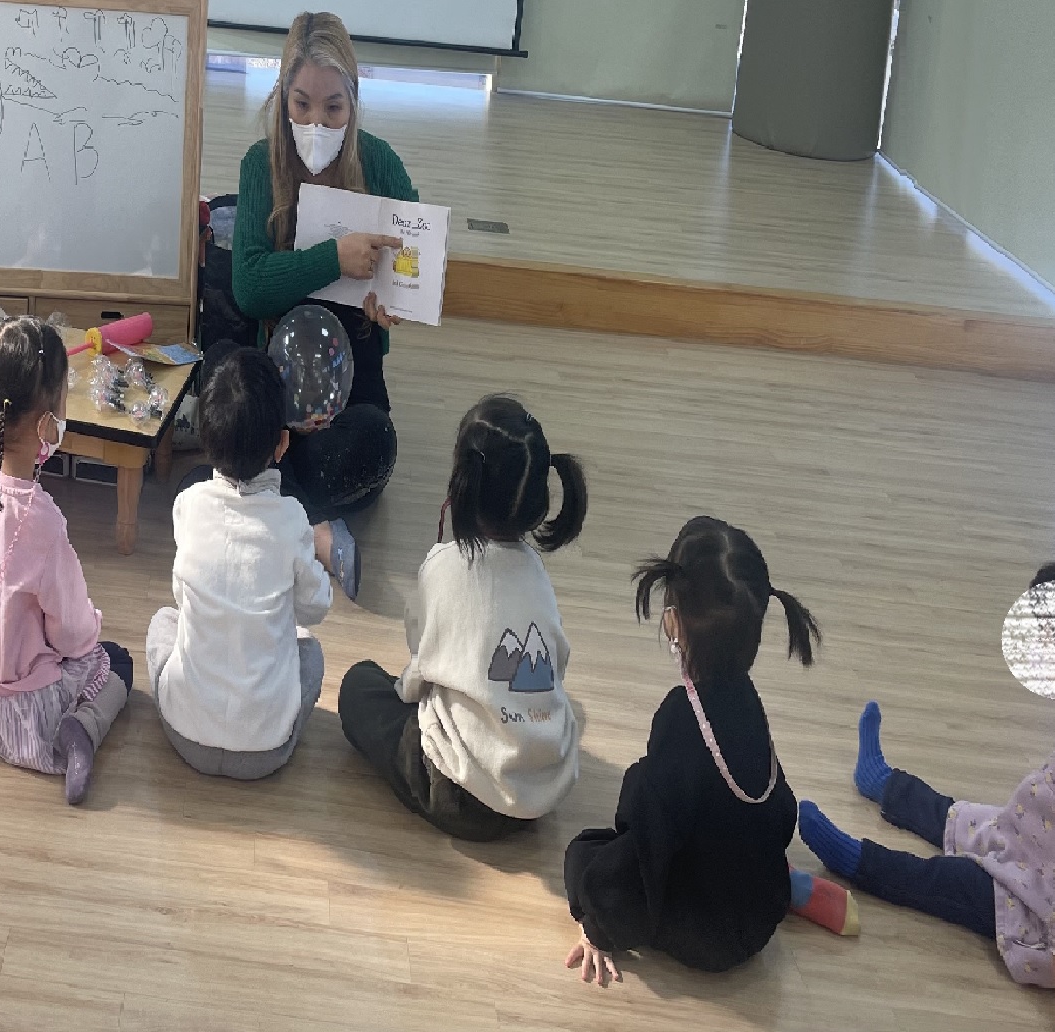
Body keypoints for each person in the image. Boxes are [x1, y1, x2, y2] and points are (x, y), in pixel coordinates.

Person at [797, 544, 1055, 1023]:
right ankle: (879, 781)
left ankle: (853, 858)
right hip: (1036, 846)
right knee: (956, 814)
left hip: (1051, 917)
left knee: (946, 880)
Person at [564, 517, 853, 984]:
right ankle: (787, 885)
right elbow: (775, 806)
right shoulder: (748, 700)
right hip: (760, 914)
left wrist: (599, 926)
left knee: (585, 853)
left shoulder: (680, 715)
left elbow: (647, 843)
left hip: (705, 937)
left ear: (673, 623)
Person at [340, 394, 587, 840]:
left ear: (460, 484)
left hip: (463, 794)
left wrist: (410, 696)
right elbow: (558, 663)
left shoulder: (443, 567)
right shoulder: (536, 572)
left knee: (358, 685)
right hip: (542, 789)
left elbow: (419, 670)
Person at [225, 11, 417, 515]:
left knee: (372, 438)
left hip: (353, 363)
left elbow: (416, 258)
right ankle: (307, 513)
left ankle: (276, 495)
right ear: (282, 98)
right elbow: (248, 287)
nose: (316, 123)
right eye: (301, 104)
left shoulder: (379, 163)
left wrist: (393, 302)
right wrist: (334, 258)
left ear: (353, 103)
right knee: (224, 381)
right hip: (278, 367)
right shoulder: (260, 163)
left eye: (333, 108)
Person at [0, 318, 133, 803]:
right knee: (118, 662)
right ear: (46, 425)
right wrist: (91, 628)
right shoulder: (42, 520)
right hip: (25, 706)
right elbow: (73, 634)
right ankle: (83, 729)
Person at [149, 343, 345, 778]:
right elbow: (315, 608)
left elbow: (182, 596)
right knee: (310, 653)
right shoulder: (292, 519)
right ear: (282, 443)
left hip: (184, 733)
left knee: (163, 622)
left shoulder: (188, 504)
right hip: (267, 751)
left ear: (205, 439)